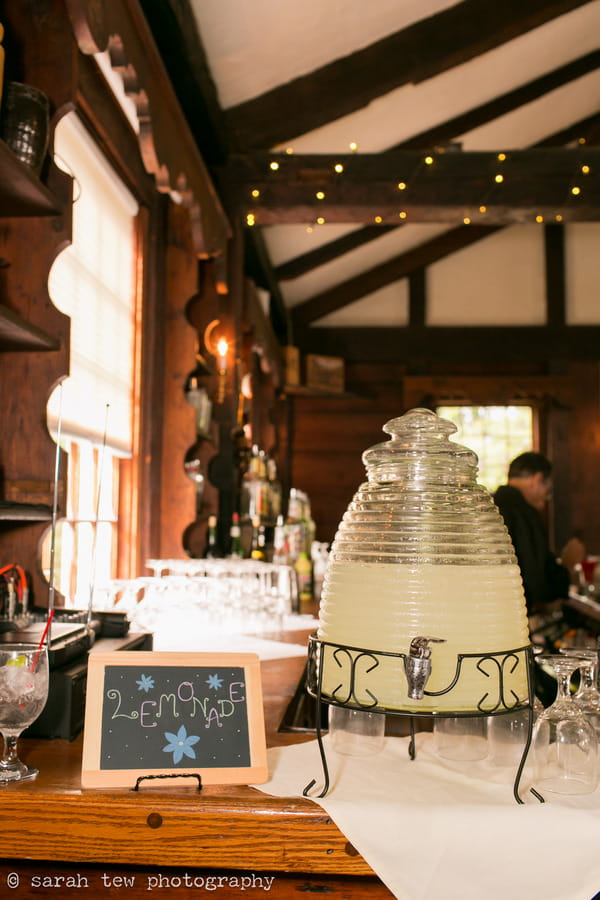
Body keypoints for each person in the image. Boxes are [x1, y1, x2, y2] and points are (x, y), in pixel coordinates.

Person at [493, 451, 571, 616]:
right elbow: (537, 582)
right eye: (547, 491)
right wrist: (567, 567)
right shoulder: (524, 513)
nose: (544, 501)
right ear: (537, 480)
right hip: (511, 614)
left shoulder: (490, 505)